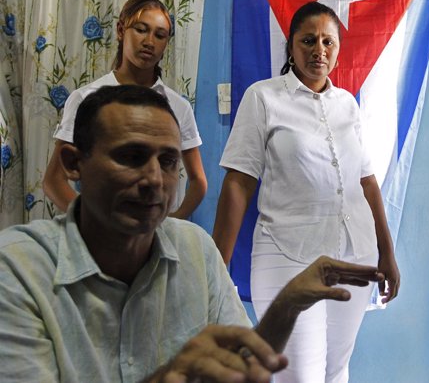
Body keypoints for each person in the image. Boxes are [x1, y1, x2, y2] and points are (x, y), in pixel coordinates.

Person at [0, 85, 384, 383]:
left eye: (168, 162)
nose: (154, 180)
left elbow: (239, 366)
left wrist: (287, 306)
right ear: (73, 163)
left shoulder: (195, 249)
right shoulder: (19, 271)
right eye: (131, 157)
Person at [212, 1, 400, 382]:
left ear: (338, 50)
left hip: (354, 254)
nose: (319, 49)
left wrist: (387, 252)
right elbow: (238, 183)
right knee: (296, 376)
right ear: (291, 47)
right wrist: (215, 268)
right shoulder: (263, 98)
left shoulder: (347, 104)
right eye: (309, 40)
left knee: (336, 371)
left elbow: (366, 182)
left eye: (328, 42)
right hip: (287, 254)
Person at [43, 0, 206, 219]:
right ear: (121, 30)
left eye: (160, 35)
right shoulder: (86, 98)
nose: (149, 41)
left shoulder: (178, 106)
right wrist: (95, 221)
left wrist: (171, 225)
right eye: (141, 29)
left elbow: (198, 181)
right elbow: (54, 180)